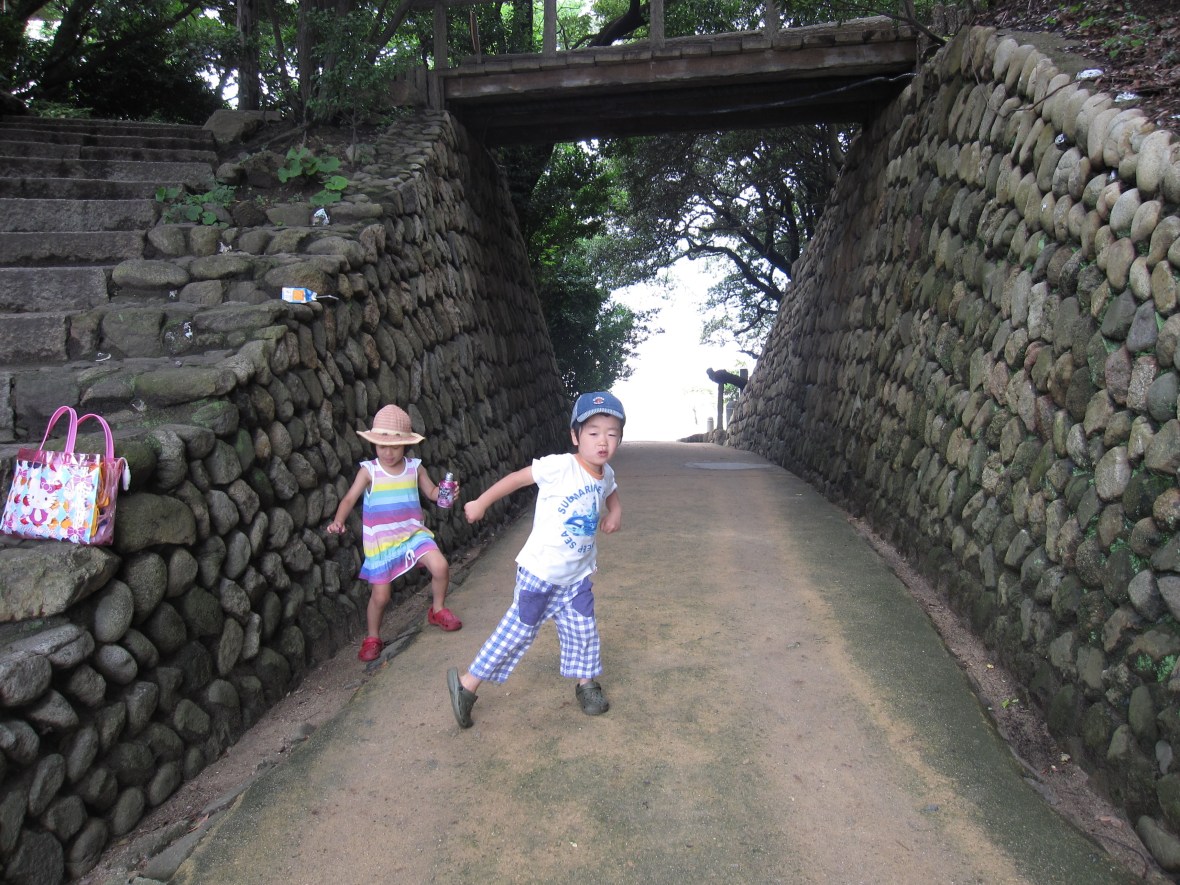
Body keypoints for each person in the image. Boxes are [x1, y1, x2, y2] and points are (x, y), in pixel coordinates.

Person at [447, 391, 625, 728]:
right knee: (517, 632)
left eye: (612, 433)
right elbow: (517, 478)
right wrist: (481, 502)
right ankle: (467, 685)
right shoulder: (560, 466)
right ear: (575, 436)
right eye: (593, 432)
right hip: (540, 573)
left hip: (577, 578)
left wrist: (615, 512)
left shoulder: (606, 473)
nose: (603, 441)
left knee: (584, 630)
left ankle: (586, 684)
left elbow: (611, 491)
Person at [328, 404, 462, 662]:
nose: (388, 453)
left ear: (406, 446)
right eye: (382, 446)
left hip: (414, 535)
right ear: (374, 445)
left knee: (441, 566)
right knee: (381, 597)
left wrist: (446, 494)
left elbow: (432, 493)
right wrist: (338, 521)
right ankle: (372, 637)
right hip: (382, 543)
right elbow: (349, 499)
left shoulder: (415, 467)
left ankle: (437, 609)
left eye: (395, 447)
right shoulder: (369, 471)